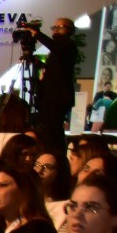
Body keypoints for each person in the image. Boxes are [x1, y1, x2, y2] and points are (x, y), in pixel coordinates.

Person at [29, 17, 77, 152]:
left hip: (58, 96)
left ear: (69, 30)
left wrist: (37, 34)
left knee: (54, 131)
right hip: (50, 96)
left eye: (59, 27)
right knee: (48, 129)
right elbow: (55, 70)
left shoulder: (68, 46)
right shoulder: (58, 49)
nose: (55, 30)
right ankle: (50, 152)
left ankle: (57, 155)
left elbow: (56, 48)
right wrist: (38, 64)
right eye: (54, 27)